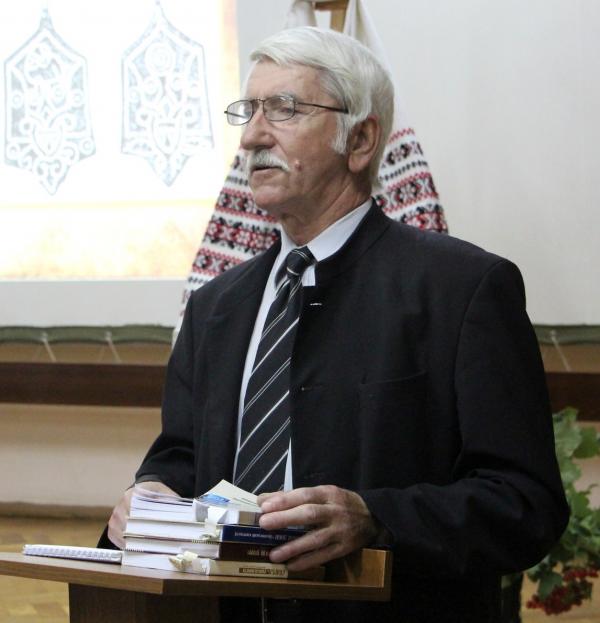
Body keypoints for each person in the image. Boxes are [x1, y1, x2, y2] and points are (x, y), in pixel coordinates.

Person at [102, 27, 568, 623]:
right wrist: (150, 494)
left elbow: (524, 503)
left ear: (361, 139)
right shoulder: (216, 306)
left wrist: (375, 519)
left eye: (284, 109)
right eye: (248, 111)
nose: (252, 136)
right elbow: (181, 457)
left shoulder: (463, 289)